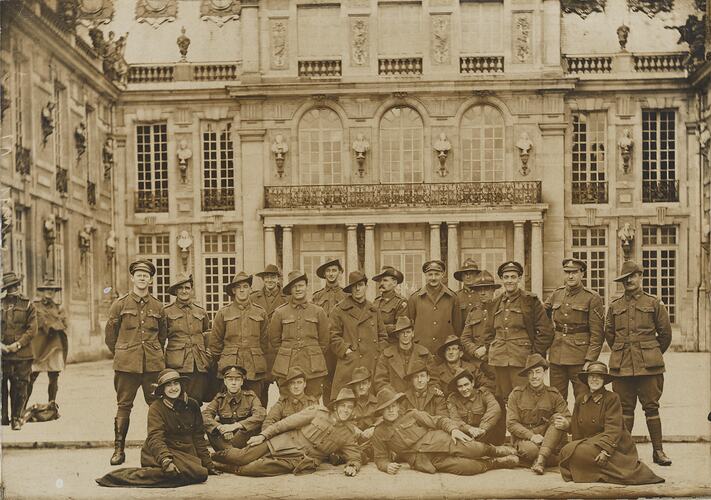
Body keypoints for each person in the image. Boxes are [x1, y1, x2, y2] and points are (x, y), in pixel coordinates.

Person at [96, 369, 216, 488]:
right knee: (199, 474)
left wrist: (208, 464)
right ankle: (122, 477)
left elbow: (198, 436)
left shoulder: (192, 405)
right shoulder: (156, 408)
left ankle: (168, 472)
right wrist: (165, 460)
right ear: (163, 389)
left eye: (176, 383)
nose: (173, 388)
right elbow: (155, 438)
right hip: (159, 452)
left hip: (185, 452)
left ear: (181, 385)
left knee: (199, 471)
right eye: (168, 385)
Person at [605, 260, 673, 466]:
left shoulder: (654, 303)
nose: (629, 281)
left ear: (640, 276)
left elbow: (665, 335)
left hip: (649, 367)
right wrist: (624, 351)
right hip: (622, 365)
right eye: (624, 279)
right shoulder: (615, 305)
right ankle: (625, 453)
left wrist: (650, 352)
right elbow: (610, 334)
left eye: (632, 277)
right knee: (625, 409)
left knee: (651, 407)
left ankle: (658, 451)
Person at [211, 388, 361, 477]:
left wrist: (353, 466)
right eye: (343, 406)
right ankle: (209, 457)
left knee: (251, 469)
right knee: (241, 457)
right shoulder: (317, 412)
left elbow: (354, 454)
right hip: (282, 442)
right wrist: (263, 435)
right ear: (336, 407)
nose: (346, 410)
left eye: (349, 407)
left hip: (298, 460)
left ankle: (216, 466)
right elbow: (284, 424)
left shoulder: (348, 433)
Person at [371, 386, 519, 476]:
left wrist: (453, 430)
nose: (390, 410)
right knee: (468, 468)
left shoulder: (412, 414)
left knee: (475, 449)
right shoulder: (379, 432)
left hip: (444, 441)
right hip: (427, 461)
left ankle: (495, 451)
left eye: (393, 406)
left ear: (398, 406)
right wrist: (386, 466)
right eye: (386, 408)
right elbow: (380, 458)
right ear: (381, 412)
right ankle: (495, 463)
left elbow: (439, 420)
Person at [559, 361, 664, 485]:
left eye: (599, 377)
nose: (594, 380)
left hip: (612, 445)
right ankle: (594, 471)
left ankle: (598, 471)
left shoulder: (612, 398)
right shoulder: (581, 399)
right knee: (567, 451)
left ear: (604, 380)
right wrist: (567, 426)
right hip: (591, 443)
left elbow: (614, 429)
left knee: (575, 453)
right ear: (587, 379)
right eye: (591, 376)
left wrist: (605, 451)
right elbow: (577, 425)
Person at [104, 259, 168, 465]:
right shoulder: (120, 304)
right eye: (138, 275)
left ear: (150, 279)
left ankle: (158, 449)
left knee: (157, 405)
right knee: (124, 406)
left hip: (152, 366)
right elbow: (110, 337)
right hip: (127, 366)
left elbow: (162, 336)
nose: (142, 278)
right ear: (132, 278)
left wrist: (152, 353)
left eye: (146, 275)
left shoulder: (158, 306)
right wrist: (124, 352)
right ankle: (118, 450)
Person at [485, 261, 554, 407]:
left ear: (519, 278)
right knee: (504, 398)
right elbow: (488, 333)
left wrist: (534, 355)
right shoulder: (495, 302)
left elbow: (546, 330)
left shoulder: (530, 300)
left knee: (524, 398)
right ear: (501, 279)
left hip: (522, 359)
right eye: (506, 277)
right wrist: (492, 349)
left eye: (513, 277)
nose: (509, 280)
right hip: (499, 359)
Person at [544, 258, 605, 401]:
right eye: (567, 272)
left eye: (574, 272)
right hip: (557, 355)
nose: (570, 276)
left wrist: (590, 359)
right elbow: (541, 314)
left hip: (580, 357)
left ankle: (581, 424)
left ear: (582, 274)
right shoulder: (556, 294)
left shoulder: (592, 297)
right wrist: (548, 333)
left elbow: (597, 333)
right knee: (557, 399)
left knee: (582, 398)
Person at [459, 270, 506, 445]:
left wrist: (487, 350)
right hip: (476, 366)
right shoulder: (473, 313)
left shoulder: (501, 310)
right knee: (476, 402)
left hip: (494, 365)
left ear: (493, 290)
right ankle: (479, 439)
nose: (483, 293)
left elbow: (503, 335)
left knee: (497, 401)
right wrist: (475, 351)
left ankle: (498, 441)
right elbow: (464, 338)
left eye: (487, 289)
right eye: (480, 290)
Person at [208, 272, 268, 405]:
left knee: (256, 403)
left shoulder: (260, 312)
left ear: (250, 289)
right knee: (229, 404)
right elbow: (215, 344)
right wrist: (223, 362)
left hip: (254, 367)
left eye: (245, 286)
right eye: (238, 287)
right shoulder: (223, 313)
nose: (242, 290)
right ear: (233, 290)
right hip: (230, 365)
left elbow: (265, 341)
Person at [507, 354, 571, 475]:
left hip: (548, 437)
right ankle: (546, 457)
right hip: (525, 438)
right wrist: (531, 436)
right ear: (527, 375)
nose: (534, 376)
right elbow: (511, 424)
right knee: (531, 451)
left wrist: (565, 423)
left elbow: (567, 417)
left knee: (558, 418)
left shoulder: (554, 394)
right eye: (531, 373)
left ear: (545, 373)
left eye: (538, 372)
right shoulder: (516, 394)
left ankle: (540, 461)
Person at [269, 271, 329, 398]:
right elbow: (274, 341)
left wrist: (312, 352)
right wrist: (286, 352)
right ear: (290, 289)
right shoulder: (280, 312)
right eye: (294, 286)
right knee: (287, 403)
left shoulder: (318, 311)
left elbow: (324, 341)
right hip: (287, 366)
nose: (298, 289)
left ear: (306, 287)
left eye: (301, 285)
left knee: (312, 403)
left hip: (313, 367)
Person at [329, 271, 387, 399]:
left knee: (371, 401)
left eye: (360, 285)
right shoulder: (339, 310)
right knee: (347, 401)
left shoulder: (373, 310)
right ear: (350, 289)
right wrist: (346, 351)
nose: (357, 288)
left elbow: (383, 336)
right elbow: (333, 336)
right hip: (350, 363)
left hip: (371, 362)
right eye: (354, 286)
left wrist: (378, 351)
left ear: (366, 287)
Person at [163, 274, 211, 402]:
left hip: (198, 363)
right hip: (177, 363)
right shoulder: (167, 312)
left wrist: (207, 355)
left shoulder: (200, 312)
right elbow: (161, 338)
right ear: (175, 291)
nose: (184, 291)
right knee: (178, 400)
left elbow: (206, 334)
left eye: (187, 288)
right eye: (180, 288)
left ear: (191, 290)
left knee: (196, 400)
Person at [1, 271, 37, 430]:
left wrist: (18, 344)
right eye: (10, 287)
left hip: (22, 354)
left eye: (15, 286)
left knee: (21, 386)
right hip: (2, 354)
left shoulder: (28, 304)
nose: (13, 289)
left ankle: (16, 418)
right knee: (2, 385)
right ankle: (3, 417)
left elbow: (32, 330)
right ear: (6, 288)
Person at [202, 365, 266, 451]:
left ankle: (227, 455)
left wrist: (235, 426)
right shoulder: (219, 398)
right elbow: (205, 415)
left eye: (237, 379)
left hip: (244, 440)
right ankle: (234, 455)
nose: (233, 383)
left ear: (242, 382)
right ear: (225, 381)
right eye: (230, 379)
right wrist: (220, 427)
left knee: (252, 427)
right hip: (224, 438)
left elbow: (260, 415)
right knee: (210, 428)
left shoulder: (250, 396)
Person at [251, 264, 287, 407]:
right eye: (267, 277)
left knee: (286, 391)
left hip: (280, 352)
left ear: (278, 279)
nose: (270, 280)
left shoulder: (287, 298)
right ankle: (260, 425)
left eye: (273, 277)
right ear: (263, 279)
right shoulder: (253, 298)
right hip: (261, 352)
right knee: (260, 394)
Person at [407, 260, 462, 354]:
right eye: (430, 274)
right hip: (421, 349)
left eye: (437, 274)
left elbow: (457, 327)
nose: (433, 278)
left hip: (445, 349)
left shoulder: (452, 297)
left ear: (442, 275)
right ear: (425, 275)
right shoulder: (415, 298)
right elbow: (409, 326)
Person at [312, 258, 346, 405]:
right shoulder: (317, 296)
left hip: (341, 344)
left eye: (334, 270)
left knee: (342, 381)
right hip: (324, 347)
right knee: (325, 382)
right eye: (328, 271)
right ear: (324, 275)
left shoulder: (347, 295)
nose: (331, 274)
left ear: (339, 273)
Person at [28, 280, 68, 406]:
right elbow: (34, 322)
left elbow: (64, 324)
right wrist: (50, 324)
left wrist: (58, 323)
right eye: (47, 289)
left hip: (54, 345)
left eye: (53, 290)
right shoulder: (35, 306)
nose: (50, 292)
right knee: (31, 376)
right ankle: (21, 407)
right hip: (39, 345)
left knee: (54, 375)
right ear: (42, 291)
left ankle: (52, 404)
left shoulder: (59, 307)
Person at [373, 316, 434, 393]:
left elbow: (434, 380)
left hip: (418, 400)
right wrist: (394, 396)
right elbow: (380, 382)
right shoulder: (386, 355)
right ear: (397, 335)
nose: (405, 335)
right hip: (395, 400)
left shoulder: (424, 353)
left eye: (408, 332)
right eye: (402, 333)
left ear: (413, 333)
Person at [446, 369, 502, 444]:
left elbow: (495, 409)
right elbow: (455, 419)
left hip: (485, 436)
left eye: (466, 384)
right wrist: (469, 429)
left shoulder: (483, 393)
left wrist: (483, 429)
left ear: (472, 383)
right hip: (463, 438)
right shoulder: (452, 399)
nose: (464, 389)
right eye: (460, 386)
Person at [430, 335, 495, 396]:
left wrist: (475, 394)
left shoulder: (471, 368)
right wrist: (436, 390)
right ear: (444, 354)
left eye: (454, 349)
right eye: (448, 349)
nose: (451, 352)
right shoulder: (438, 371)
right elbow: (433, 385)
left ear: (461, 353)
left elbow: (489, 385)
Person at [344, 366, 379, 463]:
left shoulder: (376, 402)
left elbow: (382, 418)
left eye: (364, 383)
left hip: (371, 438)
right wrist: (353, 428)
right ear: (354, 386)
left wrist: (374, 428)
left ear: (369, 384)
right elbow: (340, 418)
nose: (361, 387)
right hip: (353, 438)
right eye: (358, 384)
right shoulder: (348, 402)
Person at [372, 266, 408, 335]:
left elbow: (400, 327)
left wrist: (377, 327)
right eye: (380, 281)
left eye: (385, 280)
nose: (381, 283)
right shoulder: (376, 301)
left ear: (394, 283)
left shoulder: (401, 302)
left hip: (391, 342)